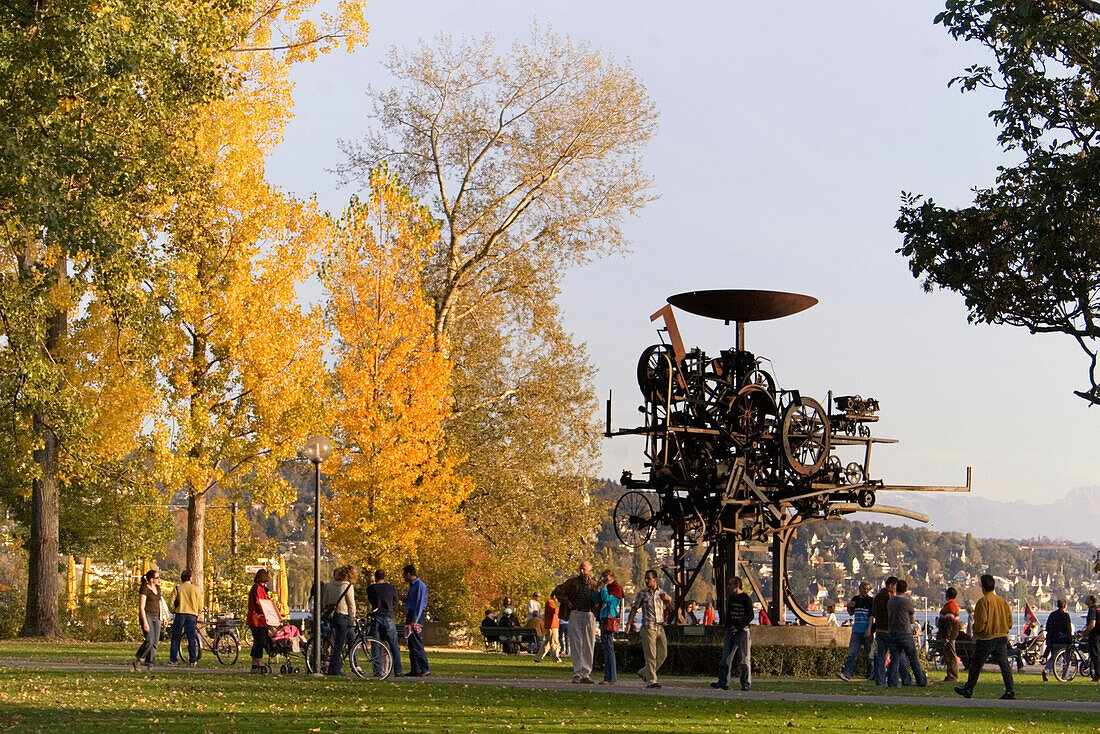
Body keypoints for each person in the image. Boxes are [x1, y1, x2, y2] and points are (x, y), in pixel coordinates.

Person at [955, 574, 1015, 700]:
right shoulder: (1002, 601)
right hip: (1002, 637)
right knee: (1004, 665)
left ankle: (969, 688)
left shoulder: (983, 602)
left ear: (983, 587)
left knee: (976, 665)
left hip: (987, 638)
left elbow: (980, 623)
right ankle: (1010, 691)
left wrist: (977, 633)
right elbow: (1010, 622)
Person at [552, 560, 599, 684]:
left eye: (584, 569)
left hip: (588, 614)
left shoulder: (593, 584)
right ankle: (577, 672)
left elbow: (598, 598)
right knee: (576, 643)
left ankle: (586, 673)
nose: (582, 571)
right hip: (576, 613)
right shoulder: (572, 582)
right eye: (581, 569)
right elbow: (558, 591)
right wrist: (569, 604)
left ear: (589, 570)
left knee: (589, 644)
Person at [628, 568, 673, 689]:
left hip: (660, 626)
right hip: (648, 627)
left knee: (663, 654)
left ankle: (644, 672)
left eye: (648, 578)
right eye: (645, 578)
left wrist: (668, 599)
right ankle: (651, 680)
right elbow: (634, 608)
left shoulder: (662, 593)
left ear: (655, 579)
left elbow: (672, 608)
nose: (646, 580)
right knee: (650, 655)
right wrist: (629, 622)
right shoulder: (642, 594)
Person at [711, 576, 752, 691]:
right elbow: (728, 615)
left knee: (744, 658)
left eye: (730, 584)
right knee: (726, 657)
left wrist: (739, 626)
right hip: (731, 631)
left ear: (736, 586)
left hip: (742, 631)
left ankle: (745, 684)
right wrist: (727, 628)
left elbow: (750, 615)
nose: (728, 587)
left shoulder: (745, 598)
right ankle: (723, 682)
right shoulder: (731, 599)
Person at [886, 579, 927, 687]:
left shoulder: (891, 601)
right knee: (913, 659)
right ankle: (921, 681)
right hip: (905, 632)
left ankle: (892, 682)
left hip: (893, 632)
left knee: (894, 659)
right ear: (905, 589)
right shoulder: (907, 602)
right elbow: (911, 617)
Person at [871, 576, 909, 687]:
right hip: (890, 630)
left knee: (881, 656)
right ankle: (897, 680)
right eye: (895, 586)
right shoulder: (890, 597)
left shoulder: (877, 597)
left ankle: (880, 681)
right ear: (891, 585)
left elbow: (873, 613)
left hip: (879, 630)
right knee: (897, 656)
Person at [366, 568, 403, 677]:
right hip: (388, 616)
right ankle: (398, 670)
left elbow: (371, 600)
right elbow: (394, 601)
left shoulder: (371, 588)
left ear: (375, 577)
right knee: (394, 644)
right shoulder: (391, 588)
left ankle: (377, 669)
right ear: (384, 577)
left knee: (375, 643)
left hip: (376, 616)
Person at [323, 564, 357, 676]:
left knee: (335, 641)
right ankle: (335, 670)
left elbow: (325, 601)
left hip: (332, 616)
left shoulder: (329, 585)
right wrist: (352, 619)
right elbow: (351, 605)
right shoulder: (347, 586)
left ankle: (333, 666)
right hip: (343, 615)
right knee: (340, 644)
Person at [838, 580, 874, 681]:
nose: (865, 591)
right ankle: (846, 674)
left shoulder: (870, 600)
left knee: (870, 655)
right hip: (856, 630)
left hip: (866, 630)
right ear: (860, 588)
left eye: (867, 589)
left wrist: (869, 630)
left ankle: (871, 675)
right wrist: (849, 606)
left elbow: (871, 616)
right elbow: (851, 613)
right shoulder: (855, 599)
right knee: (852, 653)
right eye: (864, 588)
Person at [168, 569, 202, 668]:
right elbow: (200, 604)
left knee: (175, 637)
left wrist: (174, 610)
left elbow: (170, 602)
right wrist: (197, 611)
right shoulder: (196, 589)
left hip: (180, 613)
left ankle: (173, 659)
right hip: (192, 614)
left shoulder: (178, 588)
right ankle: (193, 660)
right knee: (191, 637)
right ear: (190, 578)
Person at [132, 569, 163, 671]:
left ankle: (150, 664)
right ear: (151, 579)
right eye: (157, 578)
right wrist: (144, 621)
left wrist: (162, 615)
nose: (158, 579)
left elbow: (159, 602)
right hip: (148, 616)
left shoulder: (157, 588)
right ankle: (139, 659)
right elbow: (141, 607)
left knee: (155, 642)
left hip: (156, 616)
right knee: (149, 640)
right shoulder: (145, 589)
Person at [596, 569, 624, 685]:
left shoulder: (616, 589)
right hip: (603, 617)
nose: (605, 580)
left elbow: (606, 598)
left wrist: (604, 587)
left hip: (609, 618)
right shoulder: (606, 589)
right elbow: (597, 598)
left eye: (606, 577)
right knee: (606, 647)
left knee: (609, 648)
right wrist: (597, 587)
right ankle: (608, 676)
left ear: (612, 577)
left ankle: (611, 677)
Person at [403, 564, 430, 676]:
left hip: (416, 615)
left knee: (417, 642)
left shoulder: (419, 586)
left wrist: (415, 620)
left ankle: (424, 667)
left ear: (409, 574)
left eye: (404, 575)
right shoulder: (412, 586)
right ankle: (415, 668)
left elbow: (419, 604)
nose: (403, 577)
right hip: (411, 614)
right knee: (411, 643)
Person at [247, 568, 272, 673]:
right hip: (256, 619)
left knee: (259, 641)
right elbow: (259, 602)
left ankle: (255, 663)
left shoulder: (262, 588)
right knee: (260, 641)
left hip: (260, 619)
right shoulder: (257, 588)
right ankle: (257, 662)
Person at [1043, 599, 1073, 682]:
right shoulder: (1066, 616)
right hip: (1064, 641)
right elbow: (1068, 629)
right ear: (1065, 606)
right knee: (1067, 660)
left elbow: (1048, 627)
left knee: (1053, 658)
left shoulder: (1052, 615)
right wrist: (1070, 639)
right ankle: (1065, 677)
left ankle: (1047, 670)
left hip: (1054, 641)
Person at [937, 586, 961, 682]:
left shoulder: (950, 607)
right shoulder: (953, 605)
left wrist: (947, 636)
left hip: (949, 636)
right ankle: (950, 675)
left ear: (947, 595)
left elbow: (949, 623)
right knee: (949, 656)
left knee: (951, 656)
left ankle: (953, 676)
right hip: (950, 635)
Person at [536, 592, 562, 662]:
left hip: (551, 625)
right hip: (552, 626)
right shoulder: (550, 602)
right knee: (554, 642)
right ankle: (556, 658)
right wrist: (561, 608)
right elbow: (555, 611)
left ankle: (538, 657)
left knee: (547, 642)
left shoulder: (550, 603)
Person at [1083, 594, 1100, 682]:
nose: (1085, 600)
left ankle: (1097, 675)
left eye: (1087, 598)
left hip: (1095, 635)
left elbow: (1092, 624)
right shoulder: (1096, 608)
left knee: (1095, 655)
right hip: (1098, 634)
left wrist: (1085, 633)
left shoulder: (1092, 609)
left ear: (1091, 600)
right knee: (1096, 654)